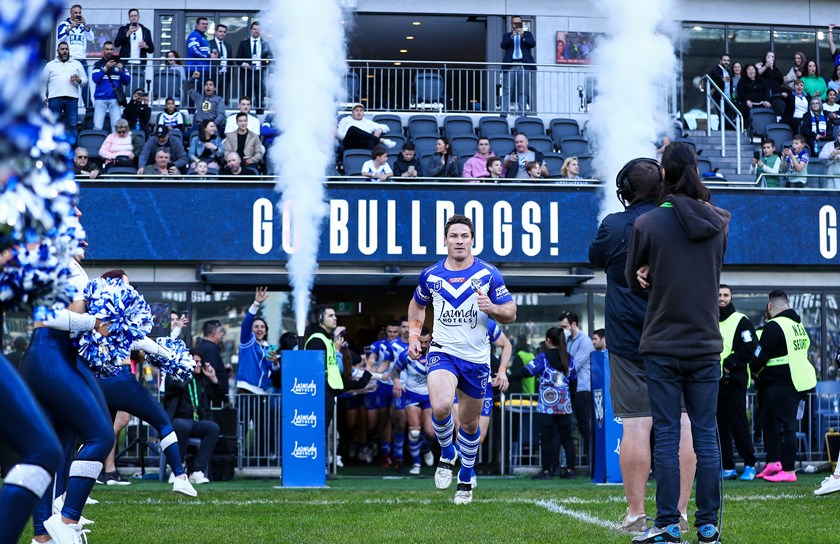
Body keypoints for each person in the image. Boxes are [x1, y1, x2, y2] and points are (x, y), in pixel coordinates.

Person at [625, 142, 730, 544]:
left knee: (667, 435)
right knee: (706, 433)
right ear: (697, 171)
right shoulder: (720, 221)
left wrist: (650, 270)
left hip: (663, 344)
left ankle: (668, 524)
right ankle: (708, 527)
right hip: (705, 343)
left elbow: (632, 280)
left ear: (665, 174)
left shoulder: (648, 223)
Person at [589, 157, 697, 534]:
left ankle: (636, 514)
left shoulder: (615, 224)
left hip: (628, 337)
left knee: (635, 424)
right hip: (676, 334)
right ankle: (681, 512)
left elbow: (595, 258)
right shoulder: (682, 221)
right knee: (683, 422)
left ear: (623, 191)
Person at [406, 214, 516, 504]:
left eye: (464, 236)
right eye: (453, 236)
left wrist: (491, 306)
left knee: (469, 426)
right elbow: (416, 306)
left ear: (472, 239)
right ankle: (447, 453)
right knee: (441, 406)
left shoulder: (489, 274)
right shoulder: (430, 275)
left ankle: (465, 476)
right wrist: (414, 337)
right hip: (443, 351)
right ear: (445, 240)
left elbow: (511, 312)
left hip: (477, 360)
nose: (459, 241)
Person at [751, 290, 816, 484]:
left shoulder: (774, 326)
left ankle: (788, 469)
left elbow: (759, 355)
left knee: (785, 427)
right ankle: (774, 462)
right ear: (787, 305)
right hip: (796, 381)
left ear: (770, 307)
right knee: (771, 421)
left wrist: (753, 368)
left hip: (782, 383)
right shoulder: (798, 325)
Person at [510, 327, 576, 480]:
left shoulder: (542, 357)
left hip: (546, 404)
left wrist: (508, 378)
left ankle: (546, 471)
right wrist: (570, 399)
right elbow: (574, 380)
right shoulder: (569, 357)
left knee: (546, 438)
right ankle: (571, 470)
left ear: (547, 341)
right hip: (564, 403)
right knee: (567, 438)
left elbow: (526, 372)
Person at [716, 285, 758, 482]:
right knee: (720, 426)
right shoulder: (708, 318)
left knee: (738, 424)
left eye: (726, 295)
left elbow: (750, 347)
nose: (722, 298)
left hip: (735, 381)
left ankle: (750, 463)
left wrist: (730, 363)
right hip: (713, 382)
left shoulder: (741, 320)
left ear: (731, 298)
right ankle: (728, 466)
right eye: (719, 295)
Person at [163, 350, 221, 485]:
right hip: (178, 420)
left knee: (213, 428)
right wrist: (187, 370)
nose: (199, 365)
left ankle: (197, 471)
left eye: (200, 362)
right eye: (196, 362)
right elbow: (174, 387)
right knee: (183, 426)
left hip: (197, 421)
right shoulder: (176, 375)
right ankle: (176, 470)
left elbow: (218, 396)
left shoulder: (202, 381)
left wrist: (213, 379)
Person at [304, 306, 348, 454]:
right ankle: (317, 465)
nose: (335, 318)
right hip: (320, 390)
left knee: (322, 429)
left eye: (335, 315)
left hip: (326, 389)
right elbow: (313, 368)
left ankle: (319, 465)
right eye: (330, 315)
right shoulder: (317, 339)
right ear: (321, 319)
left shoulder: (326, 339)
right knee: (319, 430)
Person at [394, 328, 435, 475]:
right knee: (415, 431)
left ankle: (425, 448)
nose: (423, 345)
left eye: (426, 342)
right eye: (421, 342)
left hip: (430, 396)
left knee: (430, 432)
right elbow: (395, 370)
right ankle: (416, 463)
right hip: (412, 394)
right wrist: (397, 382)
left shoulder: (437, 354)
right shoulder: (408, 354)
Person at [558, 311, 594, 474]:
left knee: (584, 428)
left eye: (565, 327)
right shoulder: (566, 340)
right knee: (566, 429)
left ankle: (592, 464)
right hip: (568, 390)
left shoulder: (585, 342)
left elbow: (573, 366)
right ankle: (565, 465)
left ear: (574, 324)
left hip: (581, 390)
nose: (563, 330)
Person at [41, 42, 86, 143]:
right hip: (54, 98)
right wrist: (43, 97)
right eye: (62, 49)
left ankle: (73, 150)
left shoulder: (76, 64)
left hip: (72, 99)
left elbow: (85, 80)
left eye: (66, 49)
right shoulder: (50, 65)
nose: (65, 51)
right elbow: (42, 83)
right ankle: (53, 149)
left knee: (73, 125)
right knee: (53, 125)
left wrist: (79, 80)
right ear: (58, 51)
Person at [236, 287, 274, 395]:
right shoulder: (248, 341)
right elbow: (245, 324)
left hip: (263, 393)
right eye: (256, 327)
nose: (259, 329)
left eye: (262, 327)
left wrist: (275, 362)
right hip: (246, 391)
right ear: (251, 330)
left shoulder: (270, 347)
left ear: (266, 331)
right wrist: (256, 303)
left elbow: (273, 369)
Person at [56, 4, 94, 106]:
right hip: (70, 59)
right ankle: (66, 107)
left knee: (85, 84)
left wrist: (86, 25)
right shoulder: (64, 23)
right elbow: (60, 37)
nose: (78, 15)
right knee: (68, 83)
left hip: (82, 59)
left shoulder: (83, 25)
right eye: (75, 13)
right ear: (71, 13)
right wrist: (70, 26)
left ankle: (89, 108)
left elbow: (91, 38)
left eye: (79, 13)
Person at [500, 15, 535, 116]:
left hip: (523, 65)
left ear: (521, 24)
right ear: (511, 24)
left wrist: (523, 35)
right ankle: (504, 113)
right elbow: (503, 45)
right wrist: (512, 36)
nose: (516, 25)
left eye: (518, 23)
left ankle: (522, 112)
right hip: (510, 65)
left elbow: (532, 44)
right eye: (514, 23)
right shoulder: (507, 35)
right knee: (507, 90)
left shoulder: (527, 34)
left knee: (523, 91)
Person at [90, 41, 130, 132]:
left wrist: (121, 71)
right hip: (100, 98)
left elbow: (127, 81)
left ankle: (115, 146)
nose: (109, 51)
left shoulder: (120, 64)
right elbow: (95, 79)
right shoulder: (98, 64)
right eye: (107, 49)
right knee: (97, 127)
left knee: (116, 128)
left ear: (114, 50)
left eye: (111, 49)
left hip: (115, 99)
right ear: (103, 50)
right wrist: (105, 68)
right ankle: (97, 146)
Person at [113, 8, 155, 86]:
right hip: (126, 63)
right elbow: (116, 43)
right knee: (125, 85)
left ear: (138, 17)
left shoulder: (145, 31)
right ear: (129, 17)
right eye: (132, 16)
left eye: (135, 15)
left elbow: (151, 49)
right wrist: (127, 33)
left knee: (139, 86)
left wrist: (146, 46)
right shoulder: (123, 29)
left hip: (140, 64)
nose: (134, 17)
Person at [236, 21, 272, 109]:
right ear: (251, 30)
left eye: (258, 29)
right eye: (255, 29)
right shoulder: (244, 43)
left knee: (260, 95)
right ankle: (245, 115)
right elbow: (237, 58)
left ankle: (259, 114)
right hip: (247, 73)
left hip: (259, 73)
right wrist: (244, 64)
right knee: (246, 95)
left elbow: (270, 58)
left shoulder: (265, 44)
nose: (256, 31)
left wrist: (264, 62)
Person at [195, 320, 230, 403]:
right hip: (213, 399)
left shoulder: (204, 347)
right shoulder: (210, 349)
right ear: (214, 332)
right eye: (221, 331)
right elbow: (209, 374)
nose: (222, 334)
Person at [756, 51, 788, 116]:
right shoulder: (761, 65)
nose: (771, 58)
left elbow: (781, 81)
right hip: (768, 92)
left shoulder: (776, 69)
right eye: (769, 57)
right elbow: (757, 74)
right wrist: (766, 66)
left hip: (778, 91)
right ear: (765, 58)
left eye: (773, 57)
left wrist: (785, 79)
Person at [208, 24, 233, 101]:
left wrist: (229, 76)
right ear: (215, 32)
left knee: (222, 98)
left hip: (224, 75)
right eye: (220, 31)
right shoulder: (209, 43)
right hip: (212, 75)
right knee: (211, 98)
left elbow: (230, 61)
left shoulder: (228, 46)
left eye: (224, 32)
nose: (222, 33)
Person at [185, 17, 211, 86]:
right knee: (195, 94)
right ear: (197, 25)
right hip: (195, 69)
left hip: (203, 69)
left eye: (206, 24)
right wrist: (208, 56)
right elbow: (194, 50)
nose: (205, 26)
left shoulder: (203, 37)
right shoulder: (194, 35)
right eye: (203, 24)